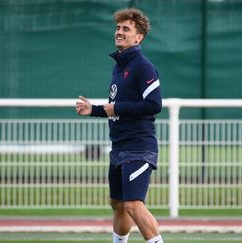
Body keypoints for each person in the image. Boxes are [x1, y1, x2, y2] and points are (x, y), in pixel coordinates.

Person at [76, 8, 164, 243]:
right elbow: (116, 108)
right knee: (117, 204)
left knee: (134, 204)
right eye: (118, 28)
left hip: (138, 147)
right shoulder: (119, 67)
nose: (119, 32)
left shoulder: (143, 66)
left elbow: (154, 104)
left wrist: (118, 108)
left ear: (139, 37)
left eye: (126, 29)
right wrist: (93, 110)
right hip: (119, 148)